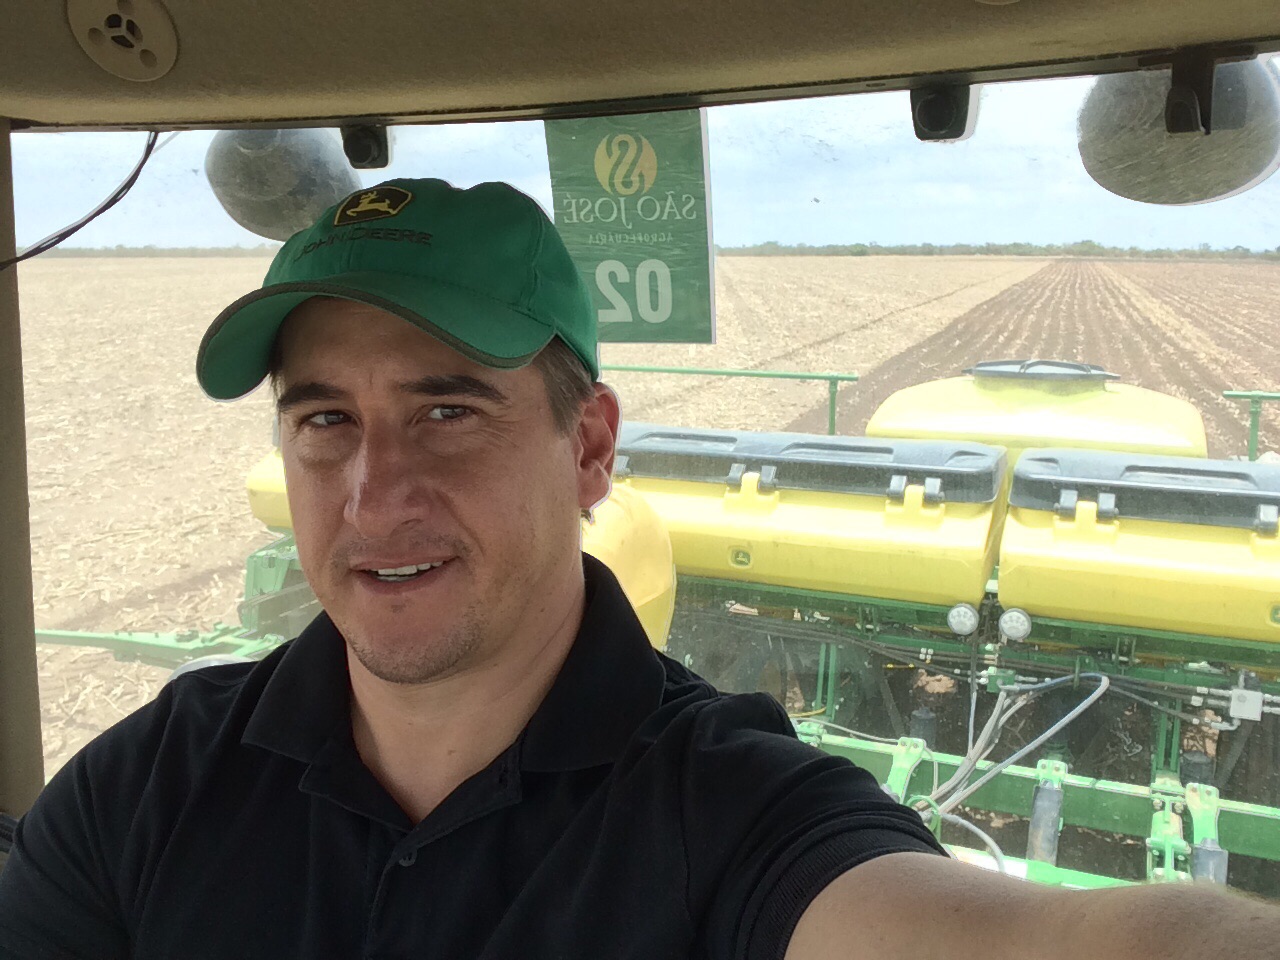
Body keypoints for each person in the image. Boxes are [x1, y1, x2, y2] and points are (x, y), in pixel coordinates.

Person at [0, 177, 1275, 960]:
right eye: (324, 419)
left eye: (447, 411)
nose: (372, 496)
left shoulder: (730, 815)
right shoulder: (157, 778)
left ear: (589, 446)